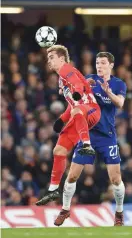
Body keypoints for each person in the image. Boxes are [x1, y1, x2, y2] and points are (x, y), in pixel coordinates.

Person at [54, 52, 127, 226]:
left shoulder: (118, 84)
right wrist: (65, 88)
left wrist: (108, 93)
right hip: (87, 134)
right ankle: (65, 210)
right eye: (97, 63)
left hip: (107, 137)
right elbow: (74, 92)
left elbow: (120, 103)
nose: (99, 66)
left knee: (116, 179)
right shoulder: (89, 80)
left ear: (111, 65)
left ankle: (119, 213)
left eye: (102, 63)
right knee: (71, 176)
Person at [36, 45, 101, 206]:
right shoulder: (61, 78)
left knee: (77, 111)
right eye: (48, 58)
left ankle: (87, 144)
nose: (48, 61)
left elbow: (77, 85)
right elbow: (72, 103)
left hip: (91, 111)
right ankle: (53, 190)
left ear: (62, 59)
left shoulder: (66, 69)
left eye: (51, 57)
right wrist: (62, 119)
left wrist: (79, 91)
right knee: (58, 150)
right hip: (79, 114)